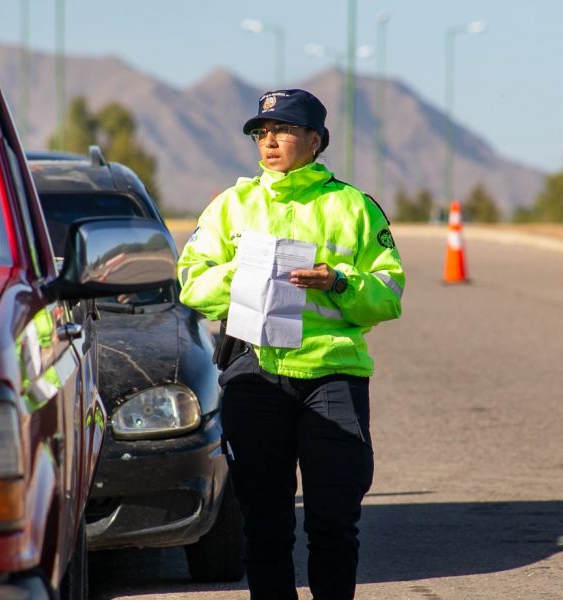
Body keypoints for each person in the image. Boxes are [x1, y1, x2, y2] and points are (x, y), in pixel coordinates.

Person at [177, 89, 405, 600]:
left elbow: (388, 294)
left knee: (333, 521)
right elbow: (192, 284)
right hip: (254, 377)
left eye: (282, 130)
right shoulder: (229, 206)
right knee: (264, 523)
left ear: (315, 140)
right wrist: (243, 273)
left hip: (333, 378)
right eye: (261, 132)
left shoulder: (355, 207)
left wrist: (339, 282)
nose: (270, 140)